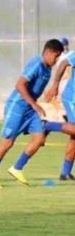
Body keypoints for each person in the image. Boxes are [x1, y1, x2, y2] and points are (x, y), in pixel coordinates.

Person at [0, 39, 67, 189]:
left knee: (39, 138)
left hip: (30, 108)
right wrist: (35, 104)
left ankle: (17, 168)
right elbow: (20, 84)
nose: (56, 60)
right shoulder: (36, 64)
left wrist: (45, 96)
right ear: (48, 53)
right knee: (8, 142)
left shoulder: (47, 69)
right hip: (17, 106)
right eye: (56, 56)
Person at [44, 46, 75, 181]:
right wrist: (55, 85)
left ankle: (65, 173)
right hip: (73, 98)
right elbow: (63, 63)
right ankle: (47, 125)